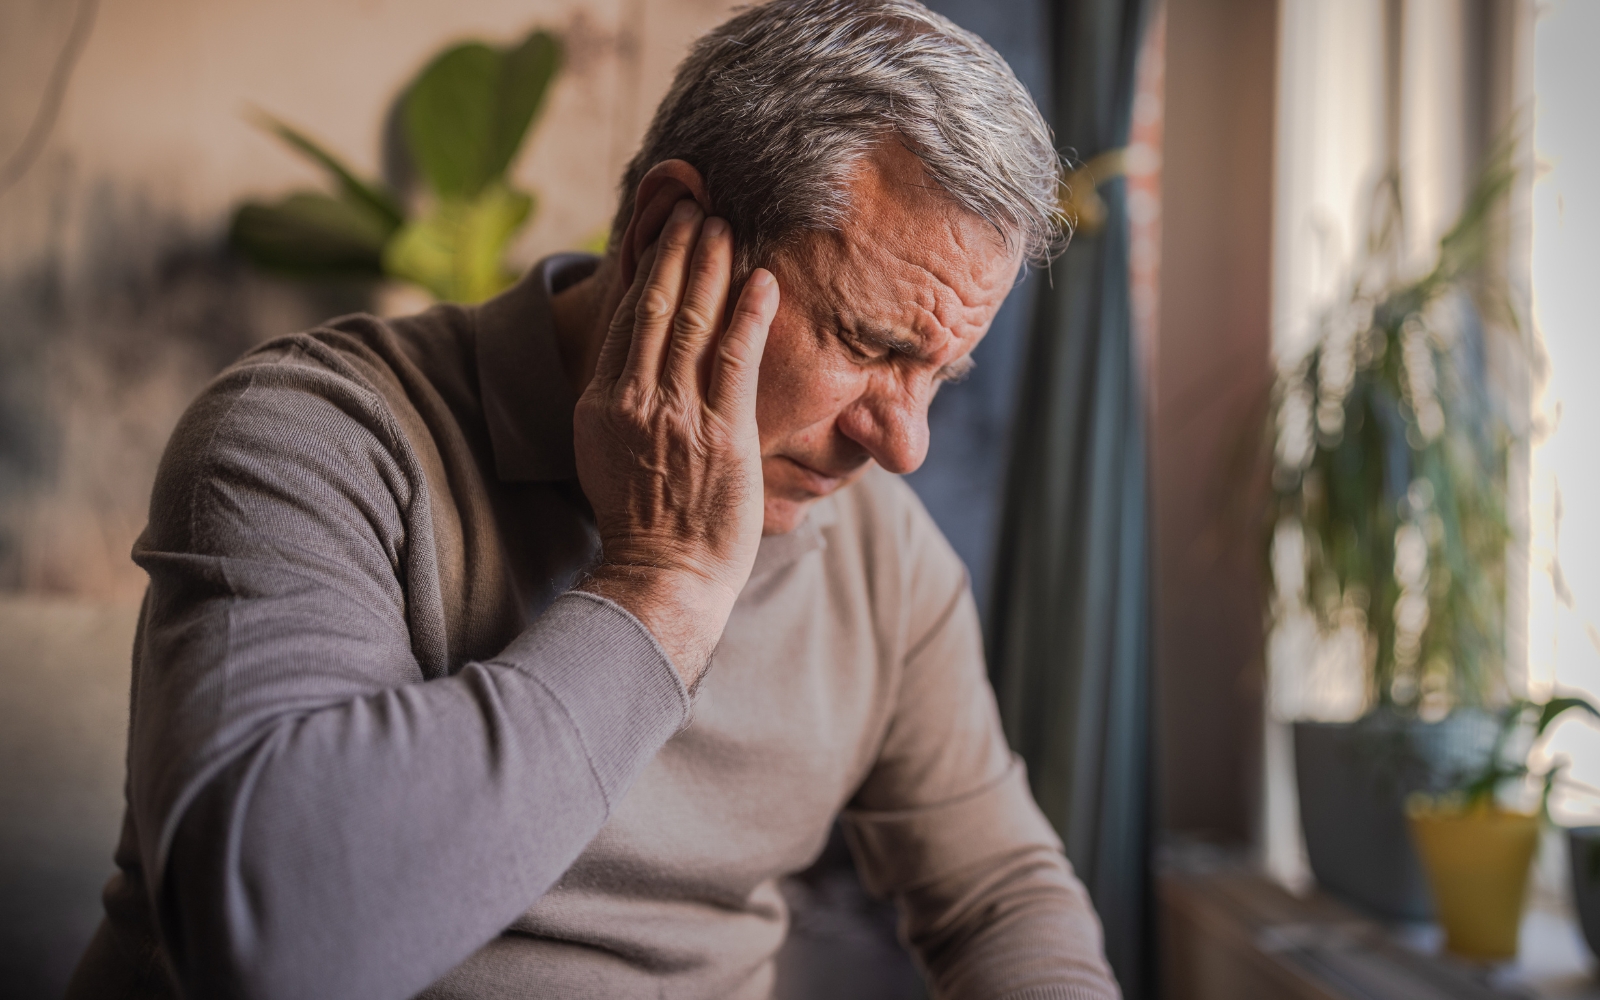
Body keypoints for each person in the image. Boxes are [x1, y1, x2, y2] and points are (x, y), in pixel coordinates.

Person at [67, 1, 1120, 998]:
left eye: (941, 374)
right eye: (868, 344)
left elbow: (1000, 894)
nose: (902, 443)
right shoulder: (313, 437)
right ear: (670, 230)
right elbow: (266, 939)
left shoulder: (883, 556)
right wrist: (660, 588)